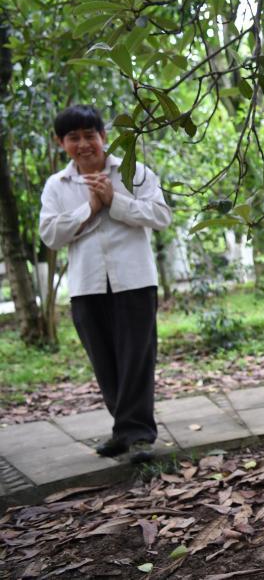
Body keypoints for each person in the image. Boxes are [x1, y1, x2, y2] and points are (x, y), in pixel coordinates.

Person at [39, 105, 172, 463]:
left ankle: (138, 435)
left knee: (137, 358)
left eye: (89, 135)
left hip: (135, 280)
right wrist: (90, 209)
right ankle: (124, 429)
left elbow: (161, 215)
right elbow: (50, 235)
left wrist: (115, 200)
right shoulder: (57, 185)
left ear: (103, 137)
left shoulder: (133, 172)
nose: (83, 144)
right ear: (61, 143)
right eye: (73, 137)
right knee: (105, 361)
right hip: (86, 286)